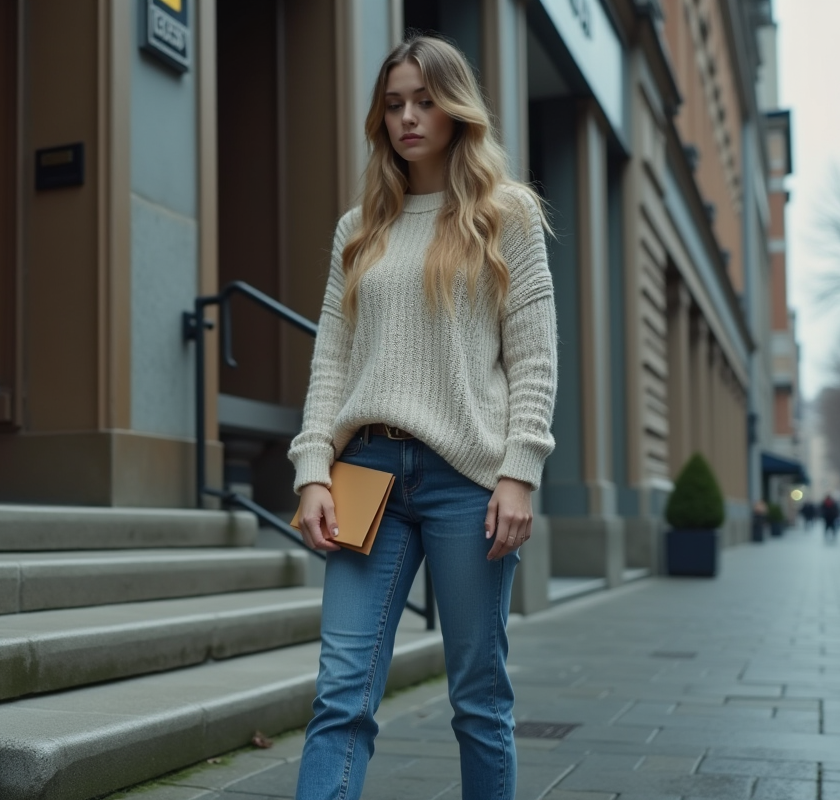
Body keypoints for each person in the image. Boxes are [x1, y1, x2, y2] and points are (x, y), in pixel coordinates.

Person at [288, 34, 557, 800]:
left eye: (424, 100)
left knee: (478, 697)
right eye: (394, 104)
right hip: (366, 474)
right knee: (340, 693)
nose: (408, 117)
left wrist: (519, 472)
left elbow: (534, 358)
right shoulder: (359, 228)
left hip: (466, 480)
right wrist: (312, 471)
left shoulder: (507, 216)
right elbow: (331, 361)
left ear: (455, 107)